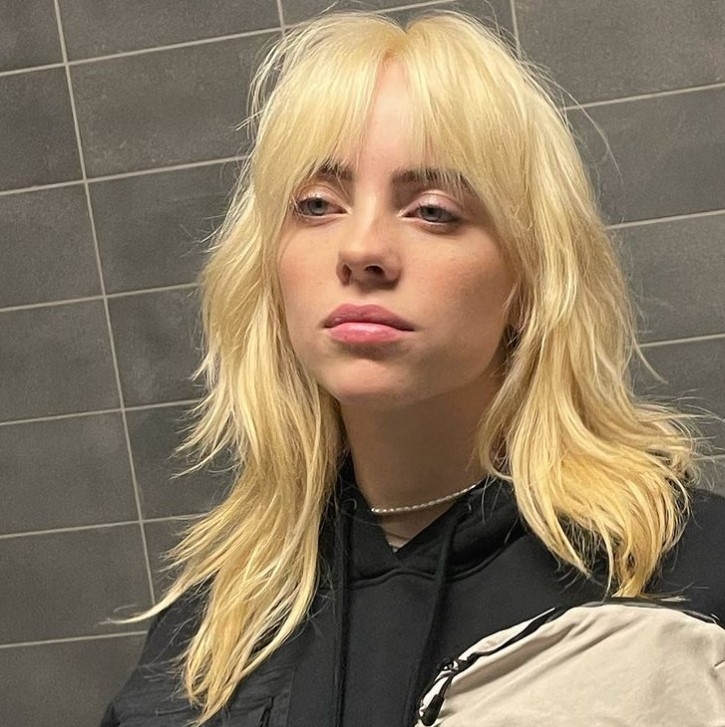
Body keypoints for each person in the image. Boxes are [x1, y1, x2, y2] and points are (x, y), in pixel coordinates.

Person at [100, 9, 725, 727]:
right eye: (316, 205)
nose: (362, 248)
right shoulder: (205, 640)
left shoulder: (684, 588)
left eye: (432, 210)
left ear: (528, 280)